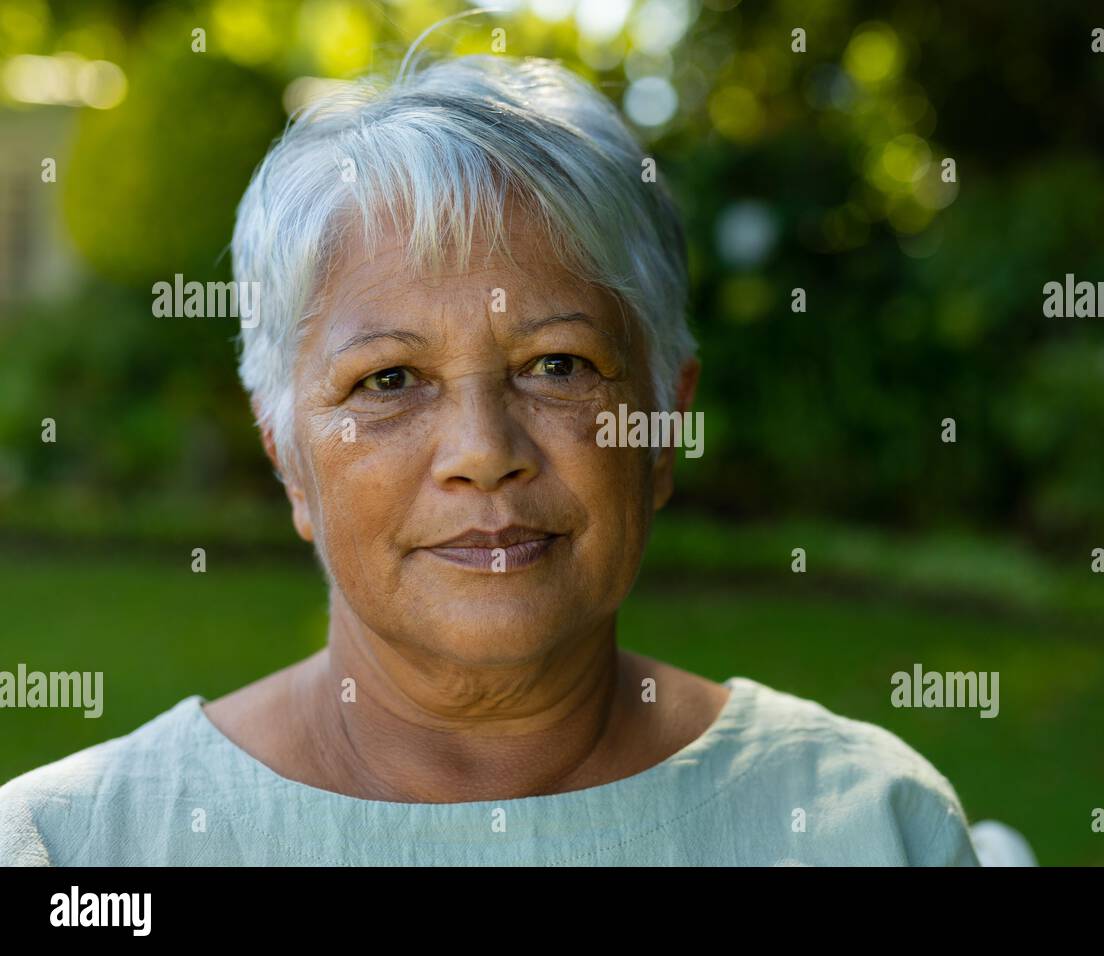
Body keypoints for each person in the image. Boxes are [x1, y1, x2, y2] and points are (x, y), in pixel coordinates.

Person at [0, 48, 991, 866]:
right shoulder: (76, 847)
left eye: (556, 364)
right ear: (289, 458)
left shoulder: (868, 824)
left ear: (660, 425)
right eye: (388, 380)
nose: (482, 453)